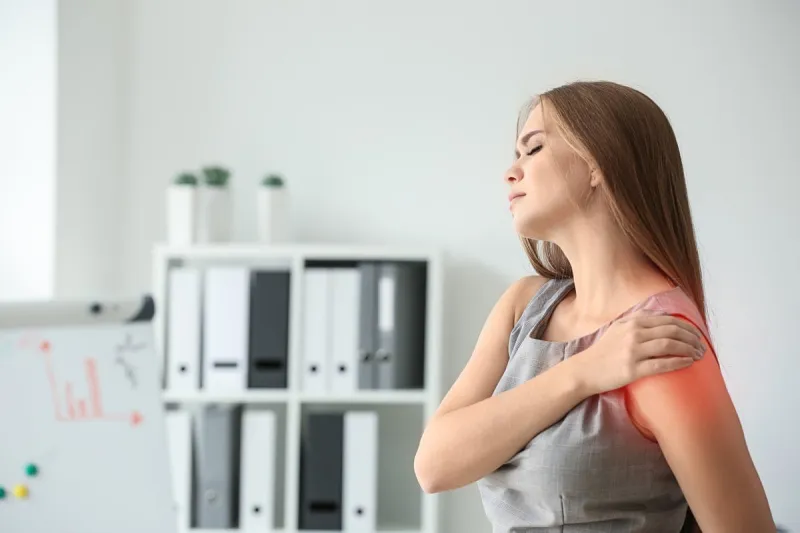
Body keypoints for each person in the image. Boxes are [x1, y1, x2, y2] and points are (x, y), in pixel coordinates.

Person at [413, 80, 776, 532]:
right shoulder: (525, 305)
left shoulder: (660, 341)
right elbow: (434, 466)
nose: (511, 171)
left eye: (534, 148)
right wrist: (584, 372)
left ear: (597, 163)